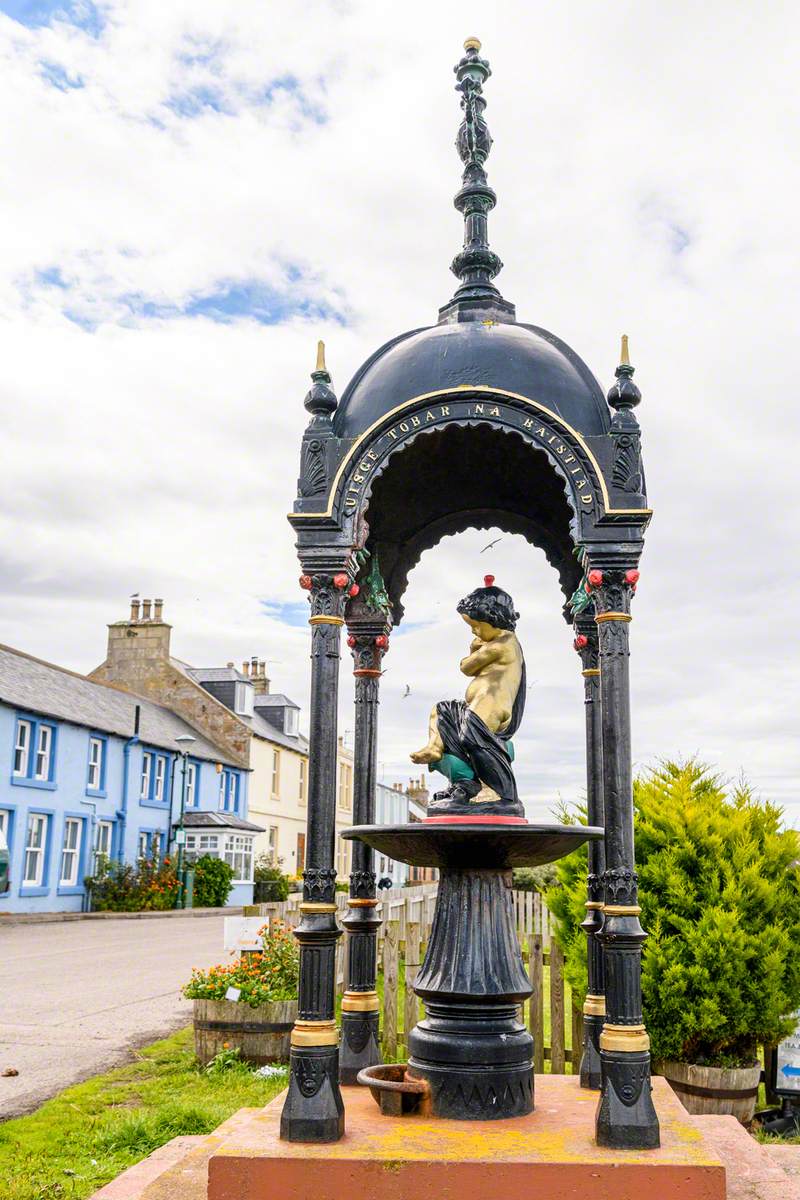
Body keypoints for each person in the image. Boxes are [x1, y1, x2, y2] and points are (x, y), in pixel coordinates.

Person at [410, 575, 526, 813]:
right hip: (479, 702)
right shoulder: (494, 642)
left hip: (492, 705)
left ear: (493, 619)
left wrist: (474, 647)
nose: (474, 631)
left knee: (473, 740)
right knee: (442, 711)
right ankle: (453, 769)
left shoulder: (502, 644)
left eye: (476, 625)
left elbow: (466, 667)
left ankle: (498, 791)